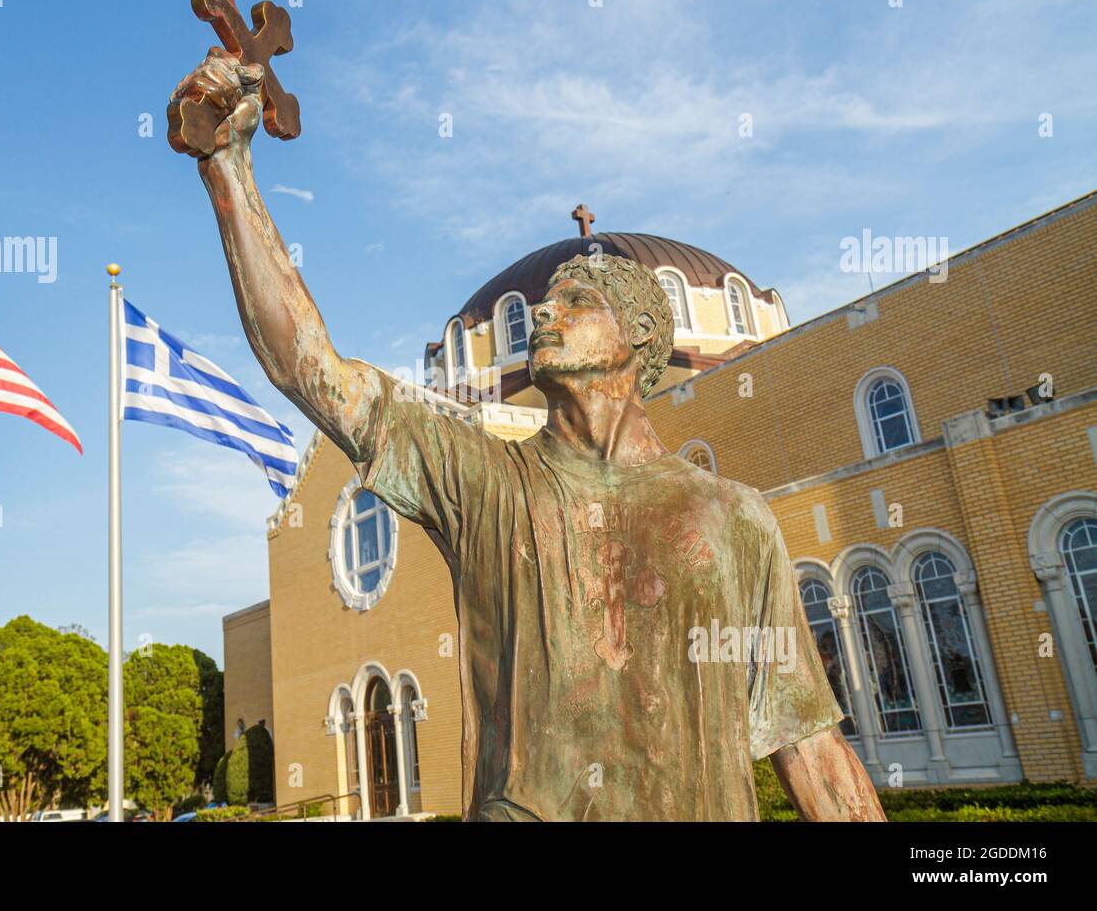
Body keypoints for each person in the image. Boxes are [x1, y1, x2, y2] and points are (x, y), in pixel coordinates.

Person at [170, 48, 886, 821]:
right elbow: (311, 370)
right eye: (541, 303)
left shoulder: (734, 517)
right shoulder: (487, 483)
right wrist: (229, 171)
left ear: (642, 331)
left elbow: (807, 741)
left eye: (573, 299)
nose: (544, 312)